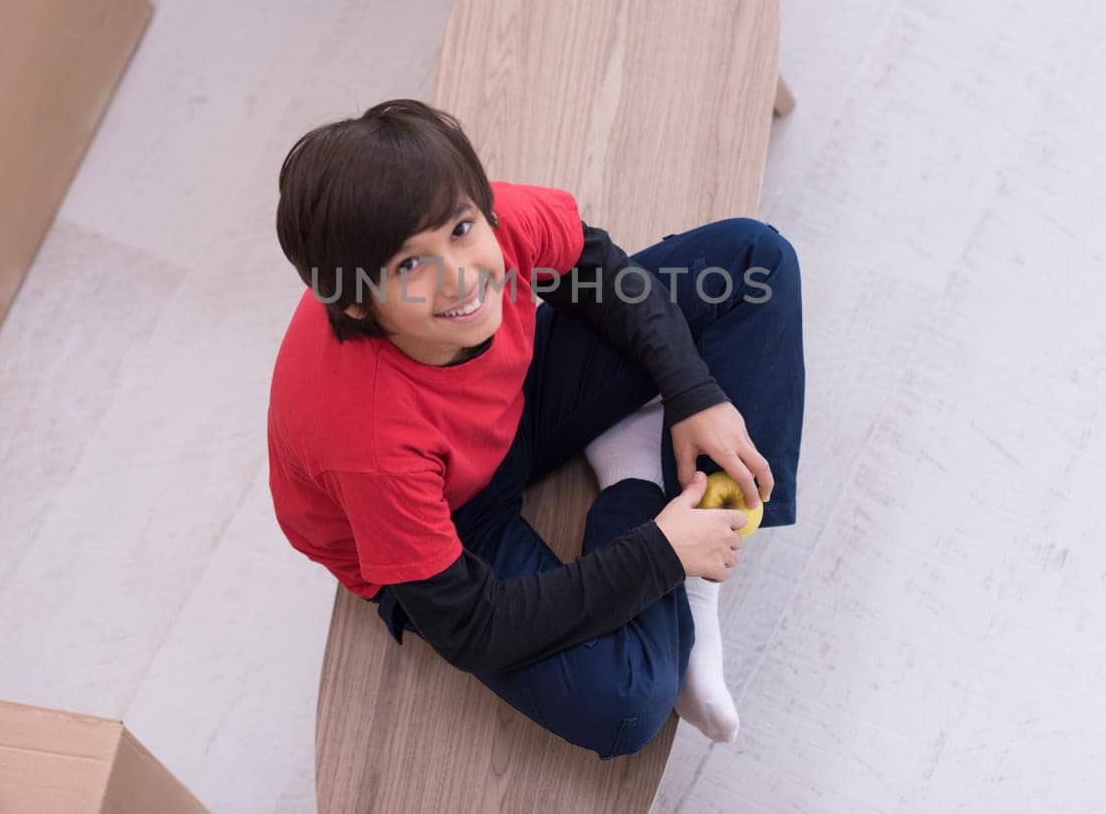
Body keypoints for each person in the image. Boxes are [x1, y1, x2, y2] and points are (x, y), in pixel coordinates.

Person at [267, 98, 805, 758]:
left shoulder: (474, 216)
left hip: (513, 400)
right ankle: (639, 481)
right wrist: (658, 551)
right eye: (410, 267)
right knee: (627, 709)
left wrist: (694, 393)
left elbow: (597, 268)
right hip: (453, 515)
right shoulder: (370, 445)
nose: (459, 276)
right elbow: (468, 623)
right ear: (356, 301)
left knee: (755, 259)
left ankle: (700, 569)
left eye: (462, 231)